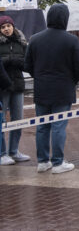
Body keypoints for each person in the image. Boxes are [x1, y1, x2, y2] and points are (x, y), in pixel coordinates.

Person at [24, 4, 79, 174]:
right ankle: (58, 162)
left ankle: (43, 161)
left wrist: (40, 76)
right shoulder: (71, 40)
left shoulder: (35, 39)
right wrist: (71, 80)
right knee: (59, 125)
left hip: (42, 88)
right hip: (63, 88)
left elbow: (27, 65)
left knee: (42, 126)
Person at [0, 15, 30, 165]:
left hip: (17, 85)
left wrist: (18, 62)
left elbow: (27, 63)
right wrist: (8, 60)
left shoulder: (21, 42)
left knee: (18, 119)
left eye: (8, 26)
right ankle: (1, 153)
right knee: (1, 120)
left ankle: (14, 151)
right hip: (2, 87)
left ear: (13, 26)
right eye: (3, 27)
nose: (6, 29)